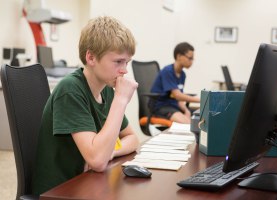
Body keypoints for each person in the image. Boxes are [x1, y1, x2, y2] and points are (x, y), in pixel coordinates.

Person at [32, 16, 139, 195]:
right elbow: (97, 161)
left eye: (126, 62)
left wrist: (110, 151)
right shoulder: (71, 90)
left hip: (86, 184)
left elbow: (132, 138)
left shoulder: (105, 89)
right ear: (91, 57)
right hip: (59, 192)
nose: (124, 70)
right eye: (118, 61)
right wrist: (121, 100)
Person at [149, 42, 200, 124]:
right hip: (161, 107)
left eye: (192, 59)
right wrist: (202, 100)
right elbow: (178, 95)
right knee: (188, 124)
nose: (191, 62)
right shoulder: (168, 71)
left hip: (173, 106)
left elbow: (179, 99)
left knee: (197, 121)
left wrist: (186, 110)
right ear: (179, 56)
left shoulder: (182, 74)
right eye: (190, 58)